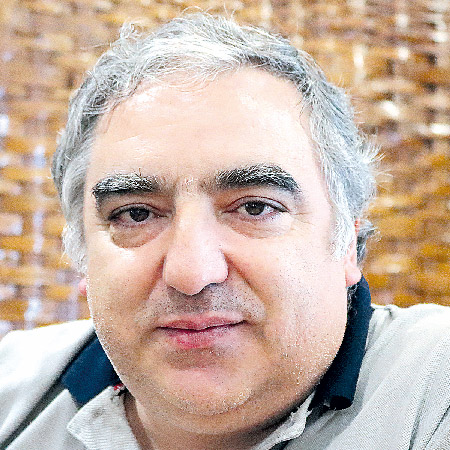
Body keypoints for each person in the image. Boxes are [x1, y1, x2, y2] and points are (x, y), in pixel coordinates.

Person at [1, 12, 450, 450]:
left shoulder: (434, 390)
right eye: (135, 214)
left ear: (347, 244)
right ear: (82, 258)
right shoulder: (13, 391)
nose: (191, 274)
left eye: (255, 207)